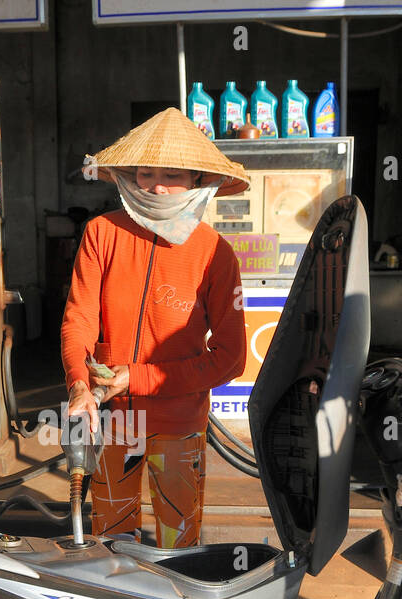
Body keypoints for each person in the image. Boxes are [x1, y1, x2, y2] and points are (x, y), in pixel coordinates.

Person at [61, 108, 250, 549]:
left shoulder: (216, 254)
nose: (156, 186)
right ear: (127, 176)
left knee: (178, 543)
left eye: (172, 175)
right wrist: (78, 386)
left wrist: (138, 378)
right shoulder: (100, 234)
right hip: (112, 418)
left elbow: (230, 358)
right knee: (109, 539)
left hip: (180, 421)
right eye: (145, 173)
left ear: (199, 181)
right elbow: (79, 318)